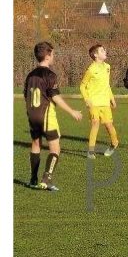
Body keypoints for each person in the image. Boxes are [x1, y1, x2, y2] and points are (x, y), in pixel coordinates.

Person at [24, 41, 83, 191]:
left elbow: (26, 96)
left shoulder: (30, 75)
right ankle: (47, 179)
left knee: (36, 144)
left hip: (32, 115)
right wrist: (72, 111)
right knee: (55, 148)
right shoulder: (50, 75)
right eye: (53, 53)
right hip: (46, 115)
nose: (54, 56)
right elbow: (55, 97)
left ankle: (33, 180)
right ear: (48, 55)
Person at [80, 43, 119, 159]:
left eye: (104, 50)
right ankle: (91, 151)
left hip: (105, 103)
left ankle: (114, 143)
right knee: (95, 124)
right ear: (95, 55)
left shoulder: (107, 67)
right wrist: (87, 99)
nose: (105, 51)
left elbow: (107, 85)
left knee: (109, 125)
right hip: (93, 103)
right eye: (102, 50)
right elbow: (82, 86)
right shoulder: (91, 69)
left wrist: (112, 99)